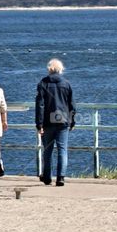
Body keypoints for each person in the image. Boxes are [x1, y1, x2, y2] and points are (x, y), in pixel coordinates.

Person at [35, 58, 75, 186]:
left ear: (49, 69)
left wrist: (39, 124)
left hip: (47, 121)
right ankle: (60, 177)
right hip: (63, 120)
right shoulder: (66, 84)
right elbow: (71, 105)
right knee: (62, 149)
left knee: (48, 150)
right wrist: (72, 121)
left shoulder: (43, 83)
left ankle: (47, 177)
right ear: (61, 69)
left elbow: (40, 105)